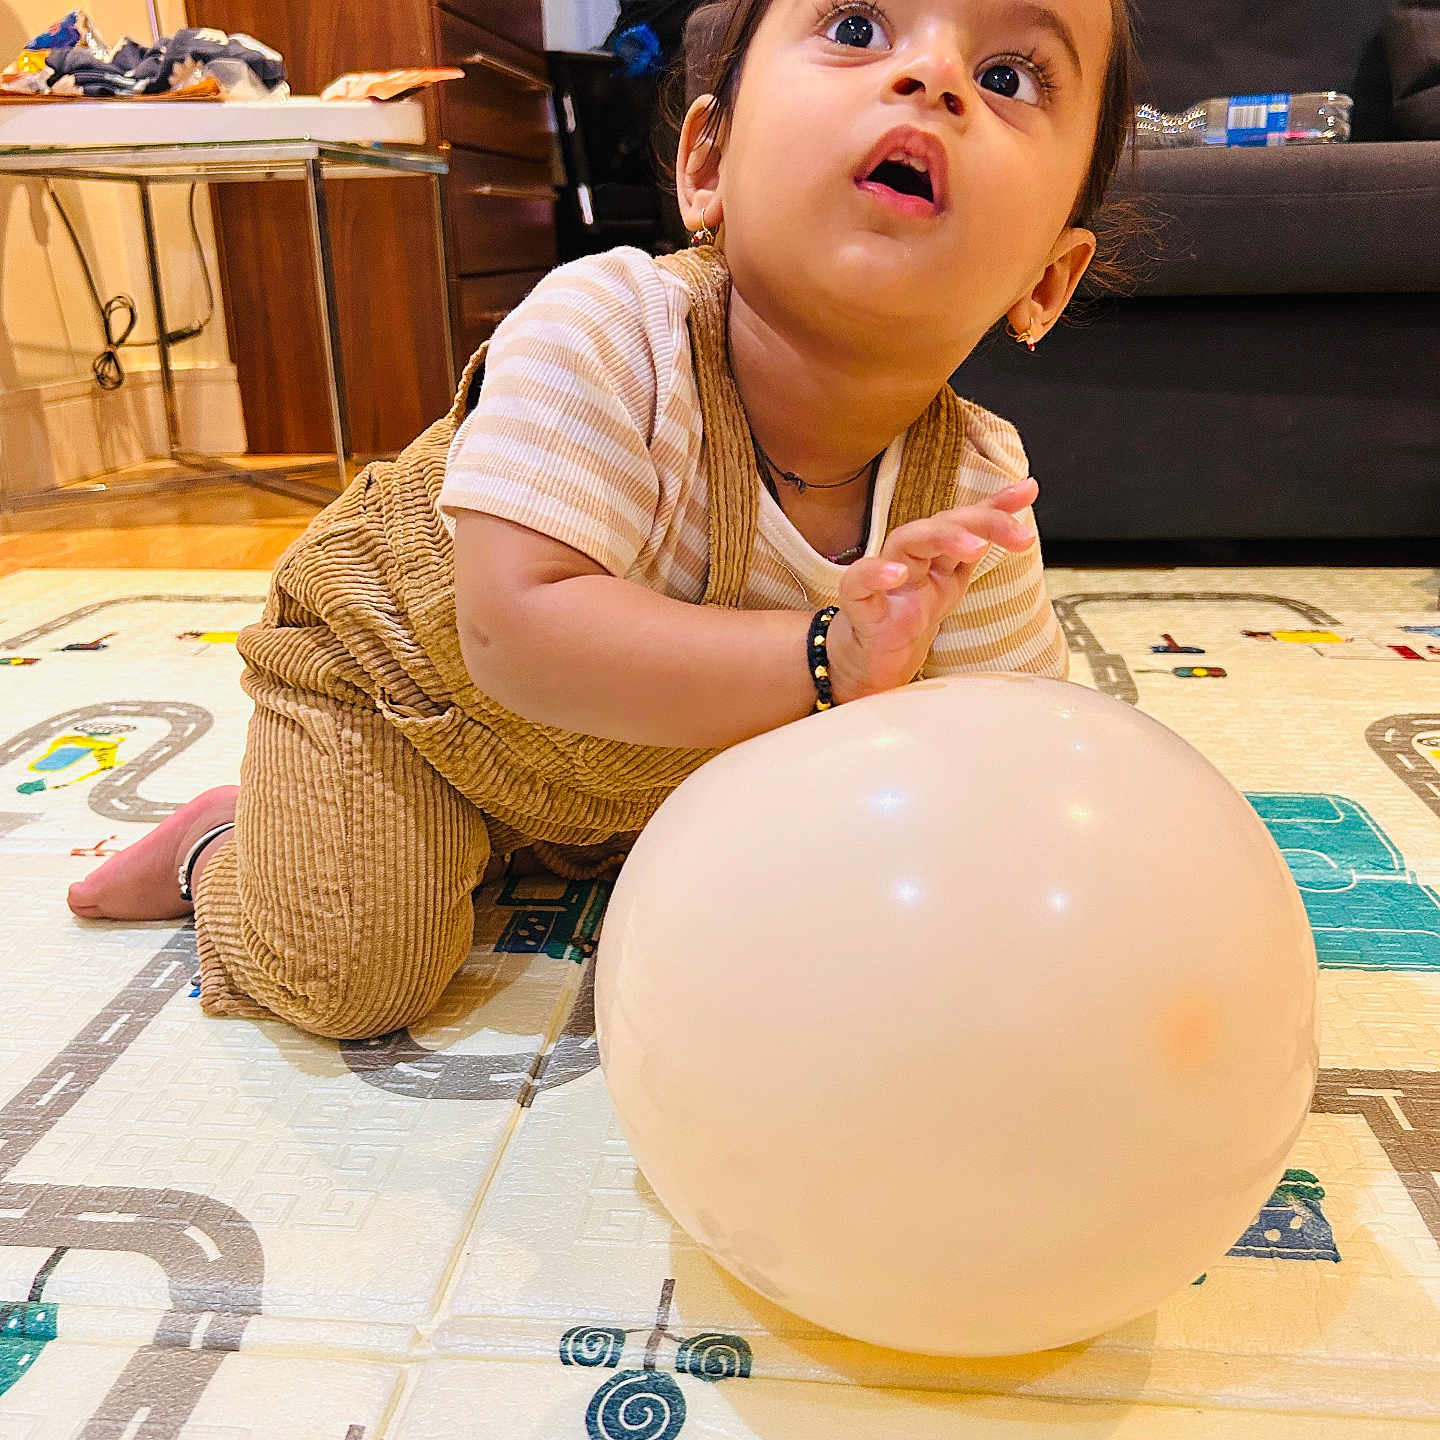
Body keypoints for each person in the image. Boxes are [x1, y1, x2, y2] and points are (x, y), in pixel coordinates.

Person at [67, 0, 1142, 1038]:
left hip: (631, 769)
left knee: (797, 925)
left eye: (1009, 76)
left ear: (1046, 282)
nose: (934, 77)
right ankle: (224, 842)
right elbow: (517, 632)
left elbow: (1007, 756)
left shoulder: (975, 489)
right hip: (400, 689)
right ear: (708, 163)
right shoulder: (611, 330)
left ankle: (502, 840)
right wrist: (832, 656)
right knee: (356, 973)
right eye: (857, 29)